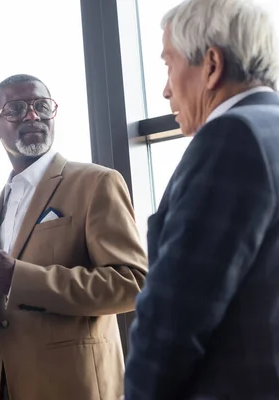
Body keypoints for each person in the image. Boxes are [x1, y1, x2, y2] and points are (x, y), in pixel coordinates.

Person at [0, 74, 148, 400]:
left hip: (78, 389)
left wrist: (17, 278)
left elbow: (132, 284)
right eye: (16, 109)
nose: (33, 115)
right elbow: (3, 323)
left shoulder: (96, 183)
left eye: (42, 106)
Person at [123, 0, 279, 399]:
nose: (165, 89)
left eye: (168, 64)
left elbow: (173, 318)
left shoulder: (232, 137)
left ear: (211, 64)